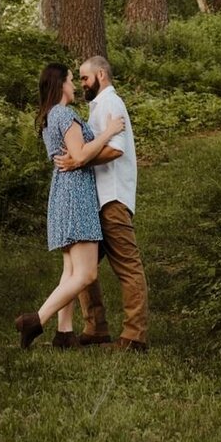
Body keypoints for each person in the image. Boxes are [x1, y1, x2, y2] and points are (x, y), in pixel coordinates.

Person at [15, 63, 125, 350]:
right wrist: (109, 131)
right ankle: (36, 319)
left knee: (71, 270)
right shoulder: (64, 113)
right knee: (86, 274)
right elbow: (80, 154)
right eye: (71, 80)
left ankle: (64, 333)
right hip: (76, 193)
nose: (75, 84)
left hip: (62, 193)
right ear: (61, 84)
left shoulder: (50, 116)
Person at [54, 54, 147, 352]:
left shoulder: (110, 104)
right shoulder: (96, 107)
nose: (82, 84)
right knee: (85, 268)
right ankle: (95, 328)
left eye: (85, 78)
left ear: (101, 76)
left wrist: (78, 160)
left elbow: (115, 150)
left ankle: (134, 336)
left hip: (113, 197)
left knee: (127, 266)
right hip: (97, 199)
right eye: (78, 79)